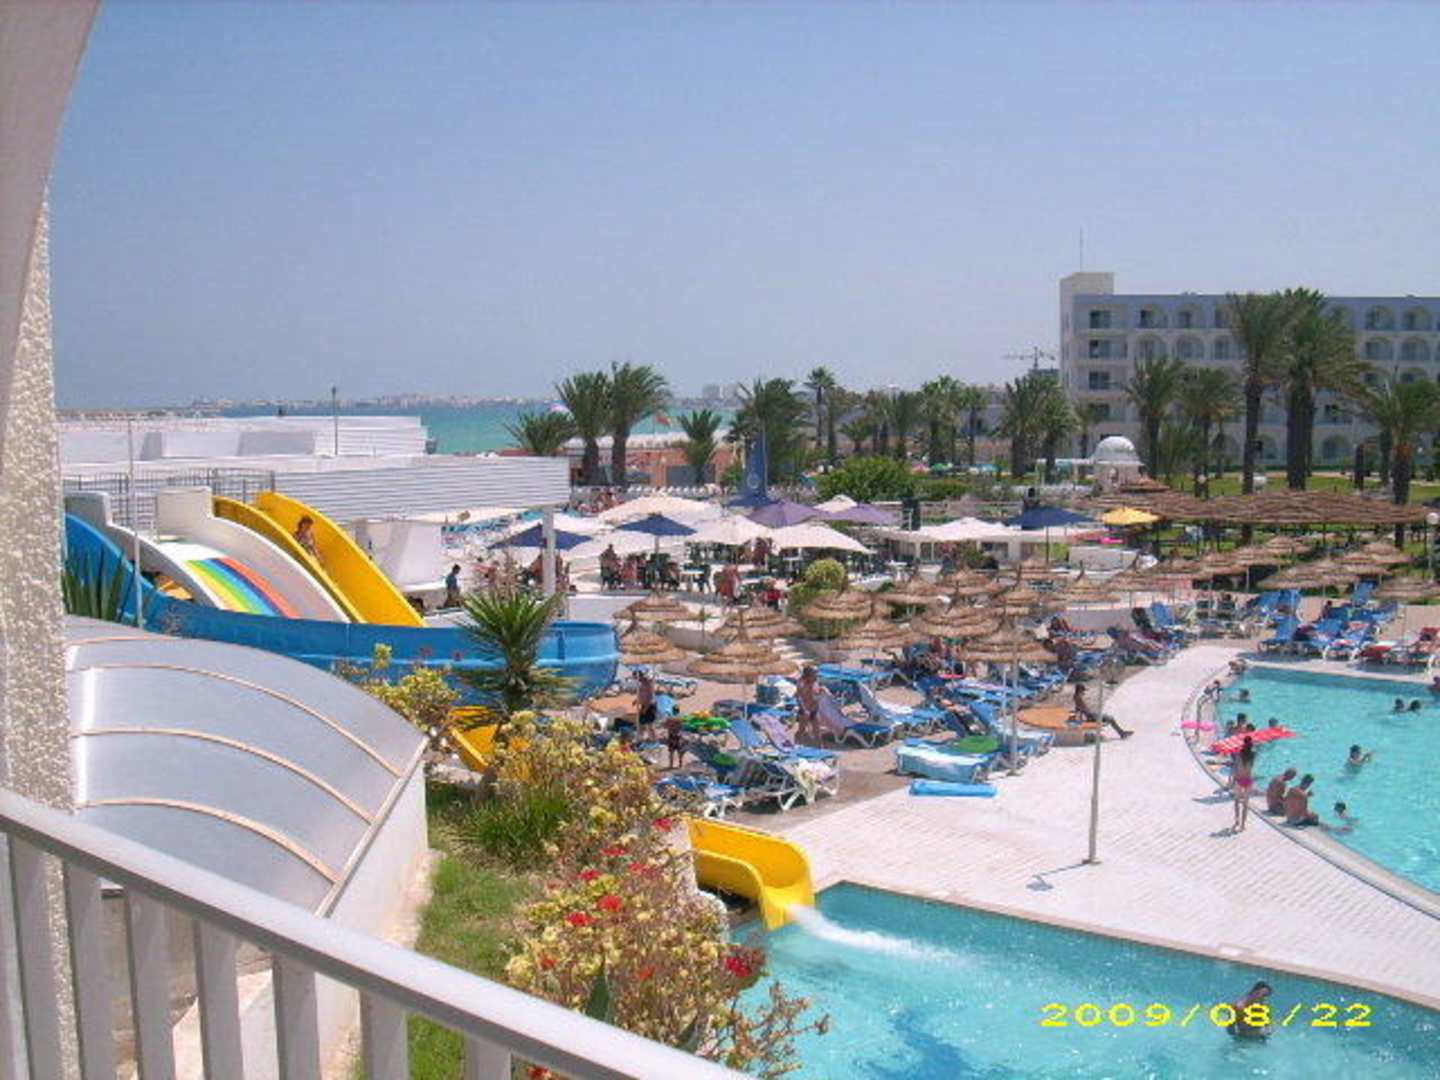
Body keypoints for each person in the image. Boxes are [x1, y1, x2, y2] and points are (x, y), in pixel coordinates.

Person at [1231, 736, 1257, 832]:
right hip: (1248, 780)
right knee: (1246, 804)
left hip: (1239, 779)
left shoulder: (1238, 754)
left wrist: (1233, 780)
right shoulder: (1253, 755)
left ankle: (1237, 820)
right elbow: (1252, 766)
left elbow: (1236, 767)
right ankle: (1243, 824)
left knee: (1237, 801)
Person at [795, 665, 822, 745]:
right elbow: (798, 697)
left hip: (814, 709)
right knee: (801, 731)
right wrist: (804, 710)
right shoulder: (801, 683)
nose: (817, 674)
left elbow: (817, 691)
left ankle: (820, 748)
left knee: (817, 732)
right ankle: (795, 743)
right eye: (815, 672)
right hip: (805, 710)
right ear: (809, 674)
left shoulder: (816, 680)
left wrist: (823, 690)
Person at [635, 669, 658, 742]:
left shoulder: (648, 684)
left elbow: (650, 697)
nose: (636, 679)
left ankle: (654, 740)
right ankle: (642, 738)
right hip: (644, 705)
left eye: (635, 677)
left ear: (639, 676)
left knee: (650, 724)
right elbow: (641, 694)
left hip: (649, 706)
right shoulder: (641, 684)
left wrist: (645, 708)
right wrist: (636, 700)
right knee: (641, 723)